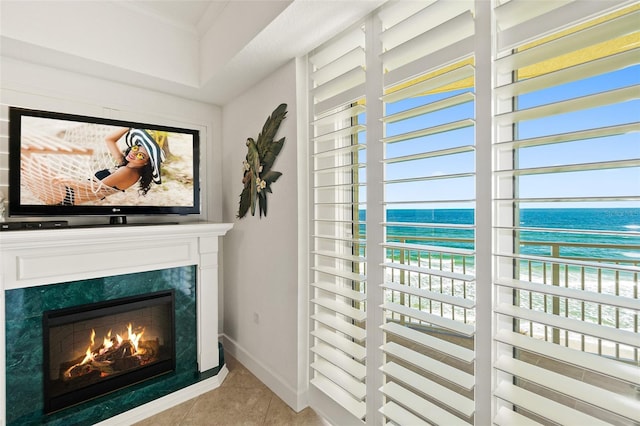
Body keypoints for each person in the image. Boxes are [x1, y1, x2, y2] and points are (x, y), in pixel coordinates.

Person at [56, 127, 165, 205]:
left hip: (69, 196)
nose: (134, 153)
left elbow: (95, 187)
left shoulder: (126, 171)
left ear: (146, 162)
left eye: (141, 155)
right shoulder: (129, 166)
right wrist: (131, 125)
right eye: (136, 148)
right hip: (71, 193)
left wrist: (69, 181)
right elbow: (110, 140)